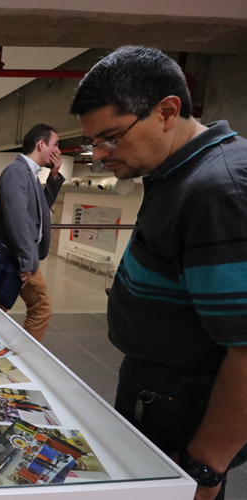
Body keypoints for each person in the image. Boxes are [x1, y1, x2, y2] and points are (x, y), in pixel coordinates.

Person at [70, 46, 247, 500]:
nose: (98, 154)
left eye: (110, 137)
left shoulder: (217, 190)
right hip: (160, 388)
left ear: (167, 111)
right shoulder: (178, 173)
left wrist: (205, 470)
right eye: (92, 141)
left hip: (183, 402)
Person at [0, 124, 65, 342]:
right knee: (41, 308)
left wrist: (54, 177)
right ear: (41, 144)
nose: (58, 151)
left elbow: (39, 212)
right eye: (55, 144)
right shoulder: (17, 172)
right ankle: (24, 355)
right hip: (16, 259)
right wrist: (26, 263)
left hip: (15, 258)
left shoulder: (28, 173)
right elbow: (18, 220)